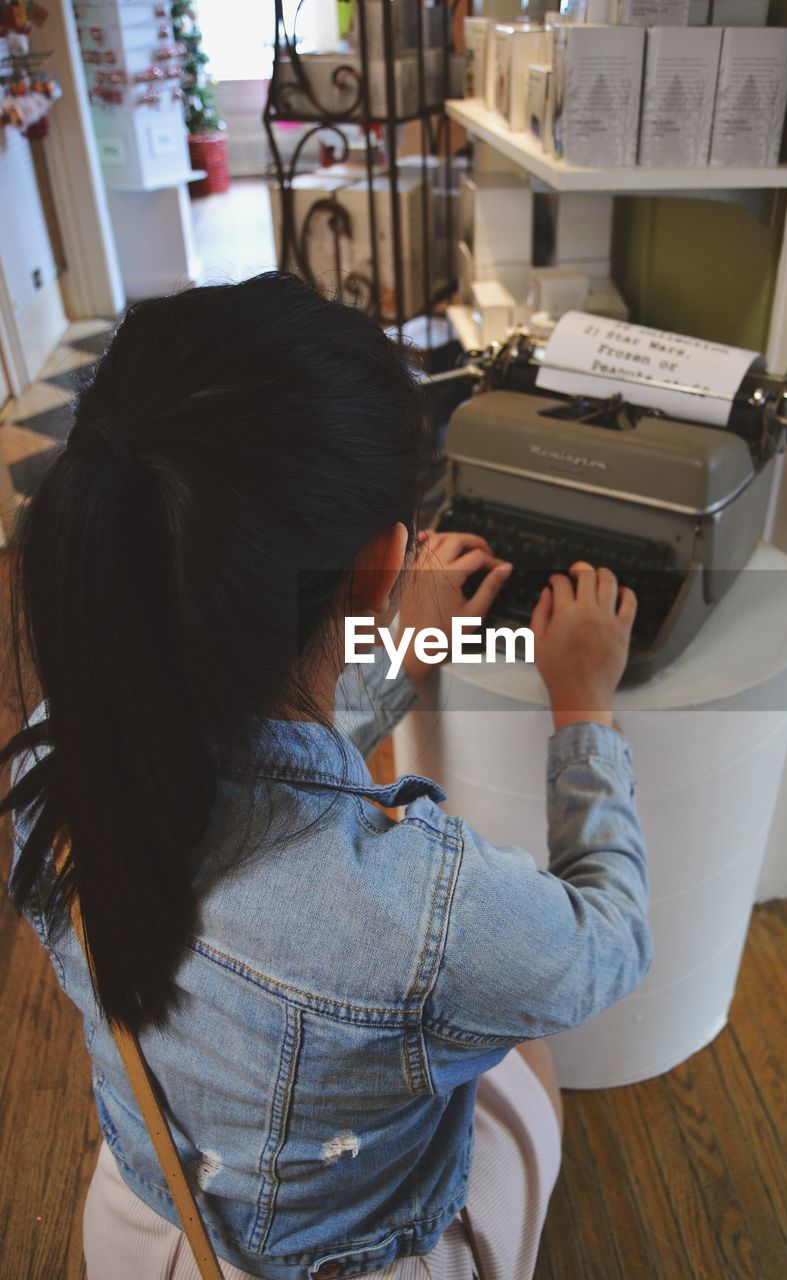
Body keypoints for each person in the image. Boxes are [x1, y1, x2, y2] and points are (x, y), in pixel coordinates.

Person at [2, 273, 651, 1280]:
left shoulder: (51, 753)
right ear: (384, 560)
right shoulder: (422, 915)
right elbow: (607, 941)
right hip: (345, 1259)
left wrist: (385, 642)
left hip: (151, 1207)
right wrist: (581, 702)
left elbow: (226, 691)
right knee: (525, 1068)